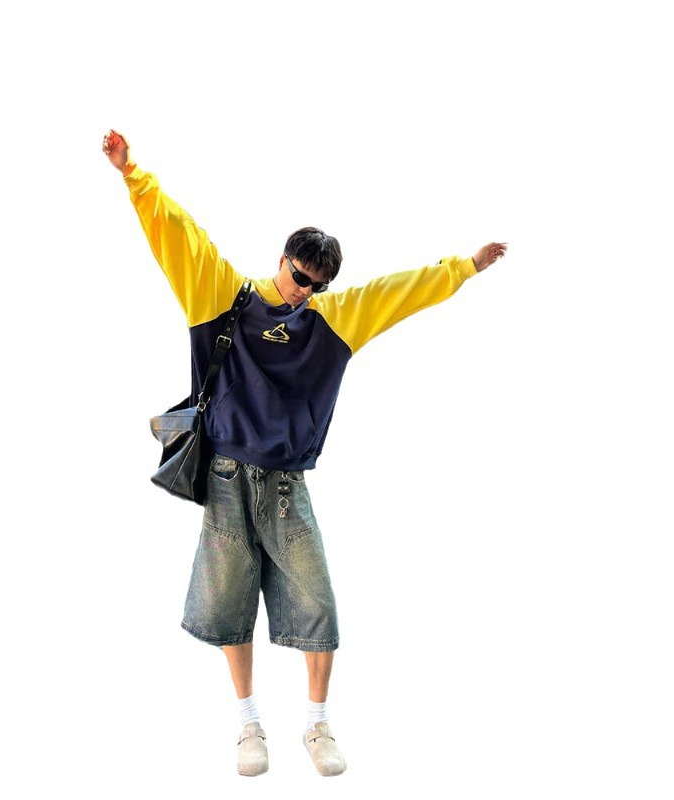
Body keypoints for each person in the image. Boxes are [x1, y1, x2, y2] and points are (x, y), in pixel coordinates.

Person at [102, 128, 507, 778]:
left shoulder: (331, 319)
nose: (303, 291)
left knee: (318, 604)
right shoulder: (222, 296)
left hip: (287, 486)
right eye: (299, 276)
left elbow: (396, 292)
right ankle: (248, 726)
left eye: (316, 285)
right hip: (227, 478)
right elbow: (179, 235)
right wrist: (133, 175)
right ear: (283, 259)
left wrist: (464, 268)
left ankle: (317, 725)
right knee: (228, 606)